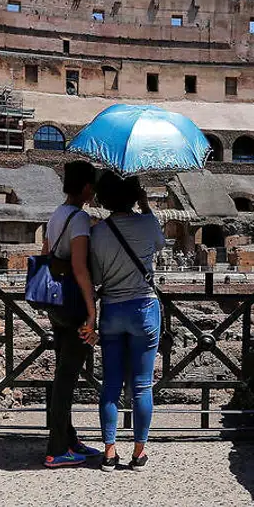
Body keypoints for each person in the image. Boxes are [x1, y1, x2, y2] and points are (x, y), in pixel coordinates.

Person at [90, 172, 164, 470]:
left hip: (111, 310)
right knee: (142, 385)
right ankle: (138, 453)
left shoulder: (99, 232)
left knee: (110, 384)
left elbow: (96, 278)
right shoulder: (148, 222)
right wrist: (146, 207)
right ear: (135, 196)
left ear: (104, 199)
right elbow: (158, 244)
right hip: (144, 308)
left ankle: (109, 453)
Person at [42, 160, 101, 469]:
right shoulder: (78, 218)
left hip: (55, 303)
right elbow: (79, 267)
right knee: (67, 376)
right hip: (74, 303)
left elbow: (47, 251)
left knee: (63, 371)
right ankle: (56, 449)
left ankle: (69, 437)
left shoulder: (57, 214)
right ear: (87, 187)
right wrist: (92, 315)